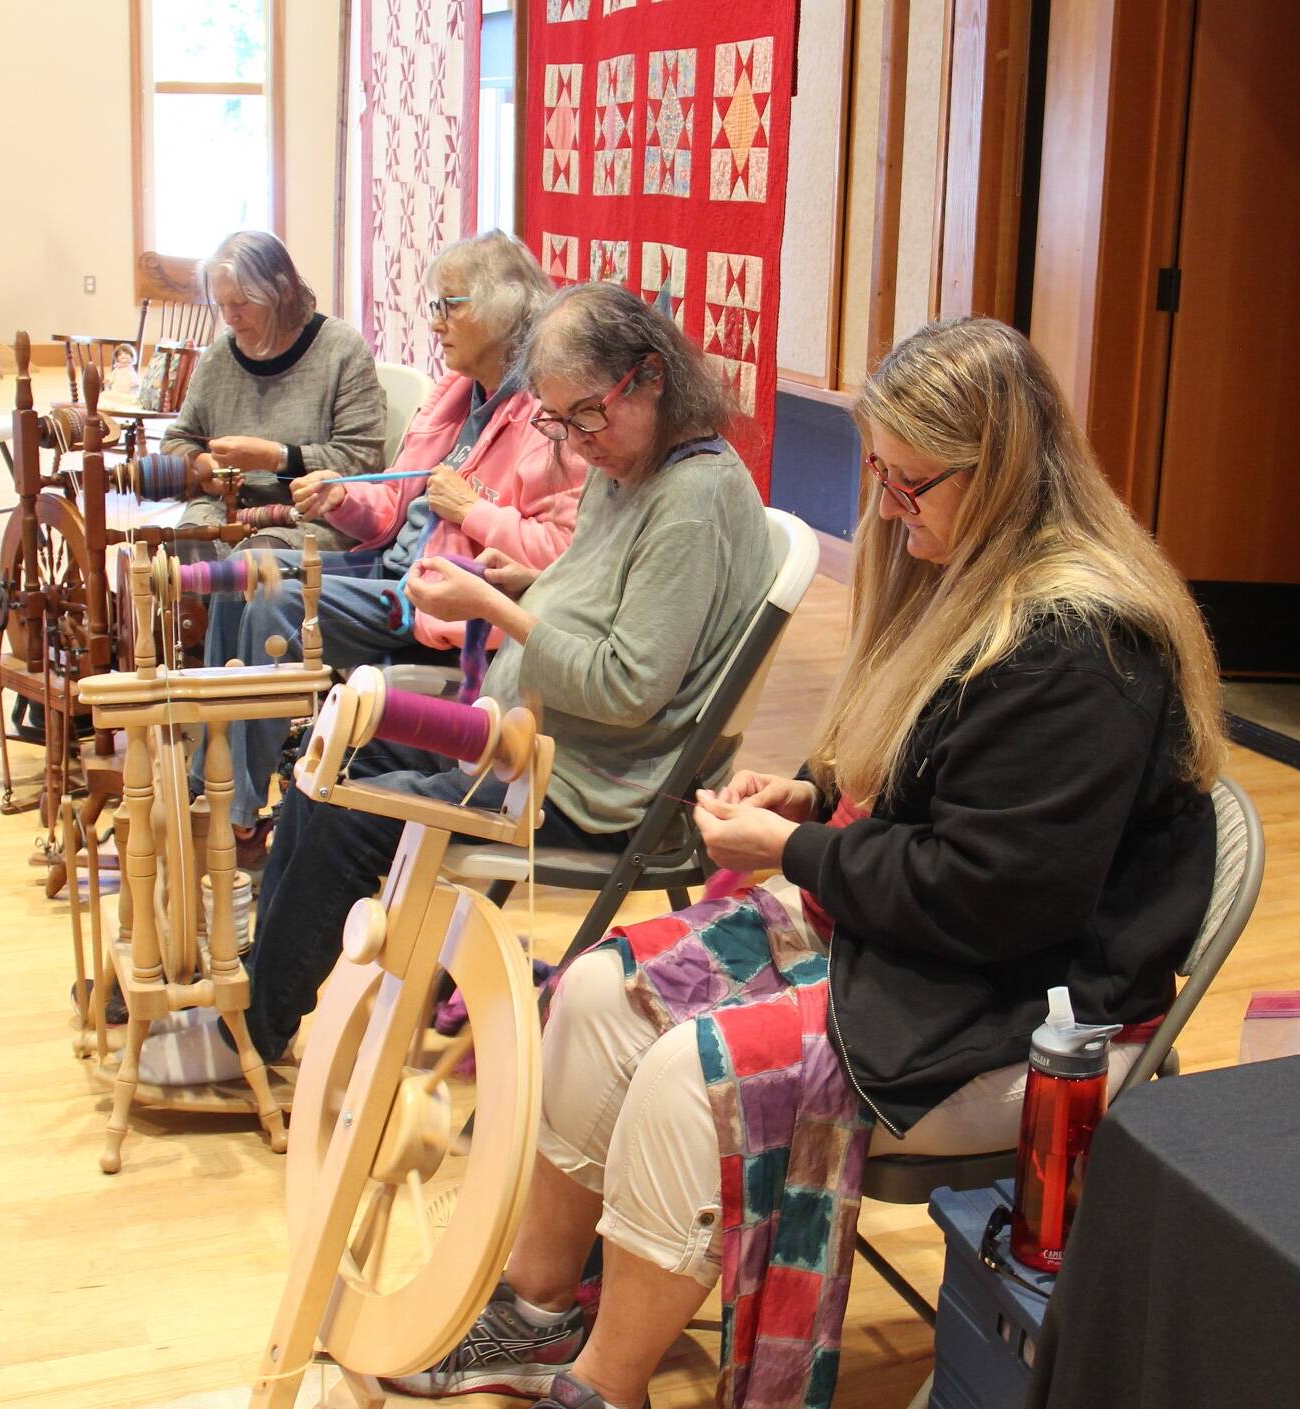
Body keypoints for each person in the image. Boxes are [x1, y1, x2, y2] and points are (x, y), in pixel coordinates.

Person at [386, 316, 1226, 1409]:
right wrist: (818, 796)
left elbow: (990, 895)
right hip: (930, 940)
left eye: (909, 482)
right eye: (878, 471)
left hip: (1031, 1003)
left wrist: (795, 847)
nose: (884, 506)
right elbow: (947, 787)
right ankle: (540, 1309)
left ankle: (605, 1382)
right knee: (593, 994)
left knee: (693, 1078)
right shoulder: (983, 582)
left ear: (1001, 471)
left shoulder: (1082, 644)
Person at [136, 281, 772, 1091]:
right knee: (334, 748)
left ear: (649, 377)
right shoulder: (637, 464)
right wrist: (522, 585)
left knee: (340, 809)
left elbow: (625, 685)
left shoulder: (689, 499)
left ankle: (251, 1036)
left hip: (590, 784)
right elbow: (602, 606)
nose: (578, 444)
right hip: (537, 738)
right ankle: (254, 997)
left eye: (586, 415)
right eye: (558, 420)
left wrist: (496, 606)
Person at [189, 230, 588, 852]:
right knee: (248, 570)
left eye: (447, 306)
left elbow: (558, 555)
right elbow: (390, 516)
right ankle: (208, 784)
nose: (434, 324)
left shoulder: (548, 414)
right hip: (389, 569)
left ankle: (232, 813)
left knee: (274, 599)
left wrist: (475, 510)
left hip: (430, 601)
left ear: (503, 309)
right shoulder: (459, 397)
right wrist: (343, 498)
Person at [161, 231, 384, 552]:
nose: (230, 317)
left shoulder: (341, 350)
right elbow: (176, 441)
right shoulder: (218, 359)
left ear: (282, 292)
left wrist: (276, 458)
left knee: (256, 567)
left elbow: (362, 461)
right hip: (227, 509)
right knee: (185, 552)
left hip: (312, 516)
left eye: (241, 303)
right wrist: (201, 465)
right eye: (222, 304)